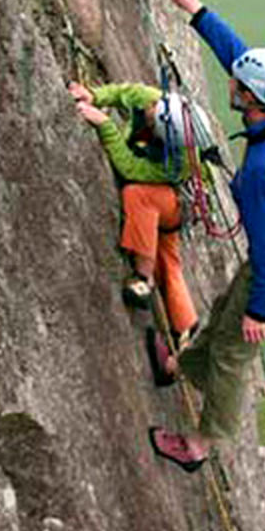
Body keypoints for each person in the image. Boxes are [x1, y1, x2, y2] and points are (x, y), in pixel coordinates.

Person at [148, 0, 265, 473]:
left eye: (238, 85)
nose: (230, 81)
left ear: (250, 97)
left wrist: (261, 314)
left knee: (233, 350)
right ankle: (178, 366)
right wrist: (196, 10)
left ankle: (201, 446)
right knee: (226, 307)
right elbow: (240, 55)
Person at [70, 81, 201, 346]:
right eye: (151, 109)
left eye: (153, 120)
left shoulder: (179, 162)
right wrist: (94, 95)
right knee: (169, 263)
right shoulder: (157, 102)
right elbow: (125, 93)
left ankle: (143, 276)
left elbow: (130, 169)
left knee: (138, 196)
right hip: (171, 204)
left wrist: (105, 125)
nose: (149, 110)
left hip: (173, 203)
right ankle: (186, 329)